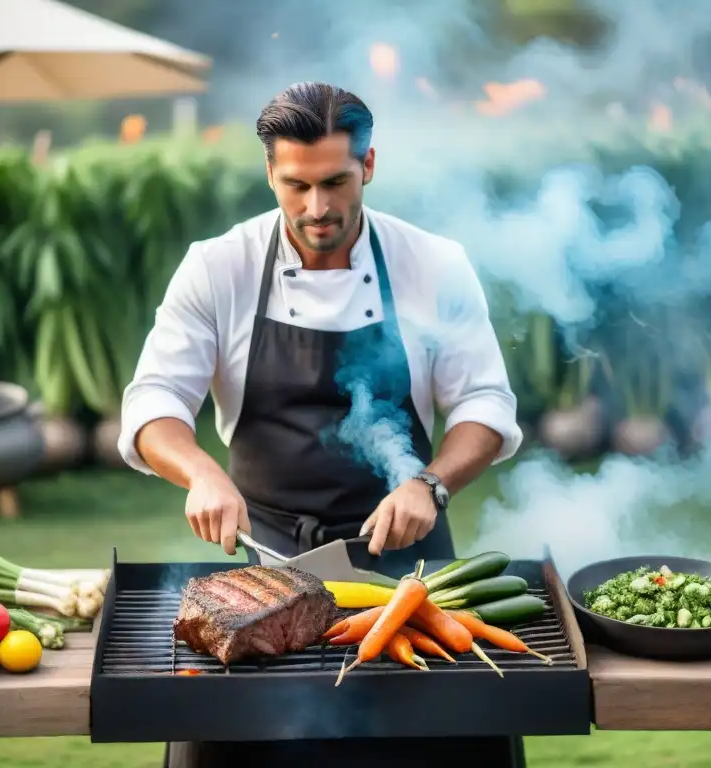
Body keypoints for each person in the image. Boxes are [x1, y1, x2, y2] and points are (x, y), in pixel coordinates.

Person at [118, 81, 525, 768]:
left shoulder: (432, 263)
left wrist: (429, 483)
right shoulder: (219, 268)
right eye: (296, 185)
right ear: (270, 172)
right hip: (270, 571)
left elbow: (485, 406)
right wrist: (202, 472)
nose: (317, 208)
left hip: (411, 569)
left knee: (450, 741)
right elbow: (153, 399)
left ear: (368, 164)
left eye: (336, 181)